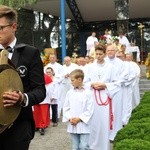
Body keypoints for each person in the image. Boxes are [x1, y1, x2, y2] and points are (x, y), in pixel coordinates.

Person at [0, 5, 46, 150]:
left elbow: (40, 91)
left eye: (1, 28)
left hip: (18, 127)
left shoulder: (30, 53)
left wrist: (22, 98)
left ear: (14, 26)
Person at [87, 44, 120, 150]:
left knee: (104, 122)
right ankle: (92, 146)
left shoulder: (111, 67)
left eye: (100, 54)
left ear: (104, 54)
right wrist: (92, 84)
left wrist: (105, 85)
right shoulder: (90, 67)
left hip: (105, 96)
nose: (98, 56)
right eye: (96, 54)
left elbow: (117, 83)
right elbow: (85, 82)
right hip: (93, 96)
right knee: (93, 122)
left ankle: (104, 147)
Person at [63, 69, 94, 150]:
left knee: (83, 146)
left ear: (79, 80)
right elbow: (66, 107)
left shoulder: (88, 93)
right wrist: (70, 118)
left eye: (72, 80)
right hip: (73, 123)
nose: (71, 82)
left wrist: (79, 118)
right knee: (75, 147)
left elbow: (90, 109)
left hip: (84, 124)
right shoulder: (70, 93)